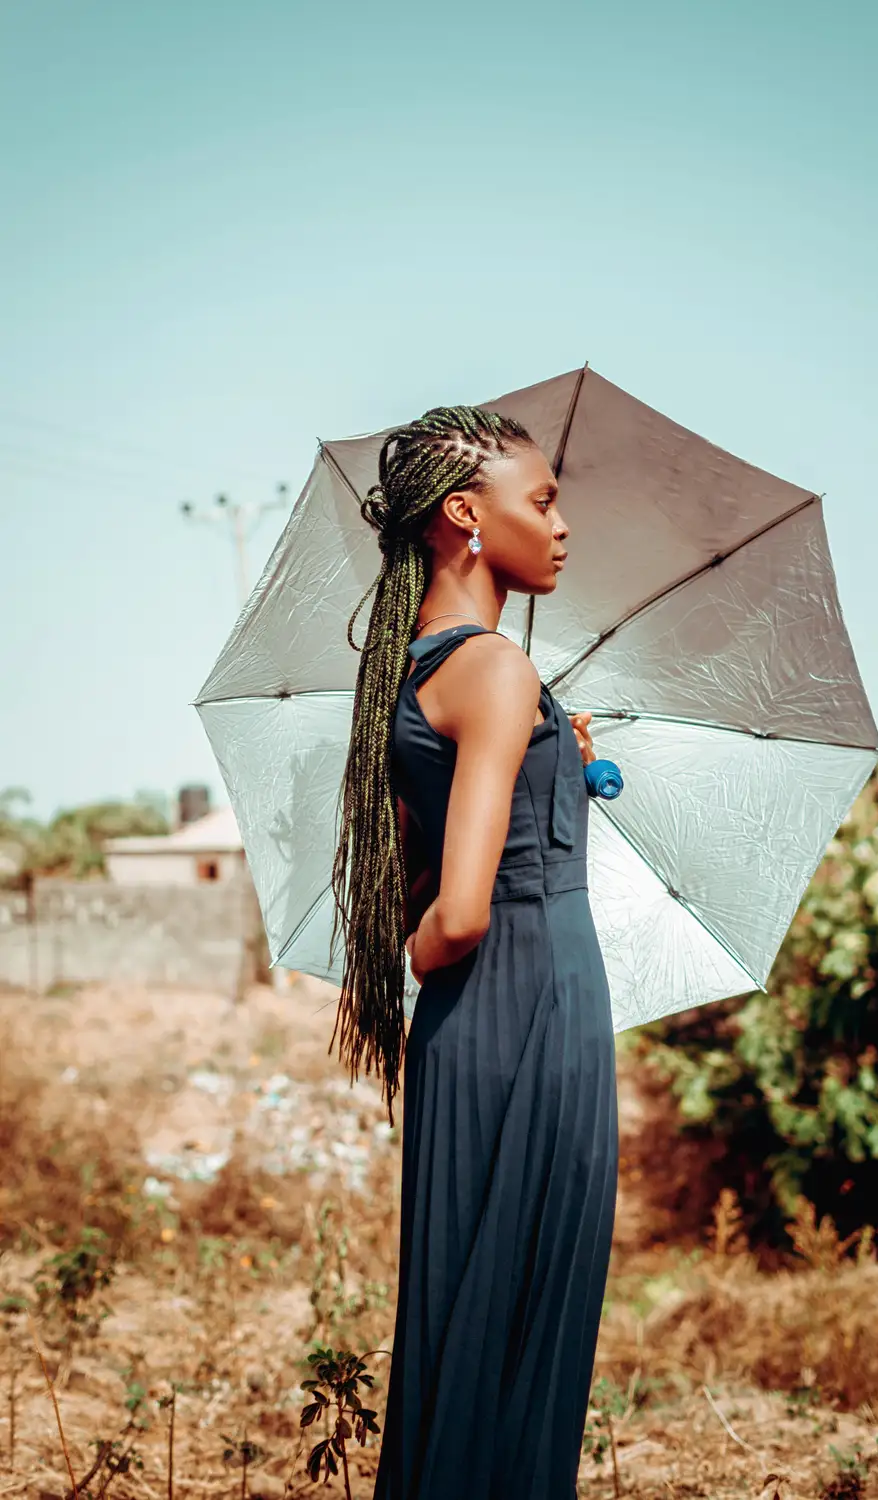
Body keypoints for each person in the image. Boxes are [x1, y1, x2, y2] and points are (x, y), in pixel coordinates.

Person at [328, 405, 619, 1499]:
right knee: (530, 1320)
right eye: (539, 502)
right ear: (464, 515)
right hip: (535, 1001)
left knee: (463, 1314)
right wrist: (528, 726)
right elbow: (457, 913)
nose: (560, 526)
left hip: (467, 1025)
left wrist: (553, 754)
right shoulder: (495, 671)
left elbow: (424, 884)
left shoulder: (416, 674)